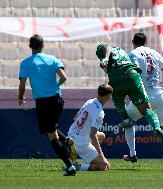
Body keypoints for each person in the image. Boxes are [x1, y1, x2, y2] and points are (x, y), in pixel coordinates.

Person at [95, 43, 163, 159]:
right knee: (146, 110)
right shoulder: (120, 50)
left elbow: (108, 64)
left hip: (116, 82)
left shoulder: (105, 58)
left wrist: (104, 64)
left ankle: (126, 121)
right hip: (132, 77)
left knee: (120, 105)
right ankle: (157, 128)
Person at [18, 34, 76, 176]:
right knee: (51, 127)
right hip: (57, 100)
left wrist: (20, 97)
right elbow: (64, 77)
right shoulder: (52, 59)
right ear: (43, 45)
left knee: (51, 135)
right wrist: (55, 86)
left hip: (43, 102)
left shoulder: (25, 63)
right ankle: (67, 140)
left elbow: (22, 84)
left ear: (30, 46)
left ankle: (69, 166)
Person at [125, 32, 163, 169]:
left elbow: (134, 73)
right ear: (146, 42)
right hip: (158, 94)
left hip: (143, 96)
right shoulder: (155, 53)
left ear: (133, 42)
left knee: (128, 122)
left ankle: (132, 154)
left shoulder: (133, 54)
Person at [67, 84, 112, 171]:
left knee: (101, 136)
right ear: (107, 97)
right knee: (103, 167)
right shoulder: (99, 113)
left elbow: (75, 118)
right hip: (81, 144)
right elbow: (92, 135)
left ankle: (82, 156)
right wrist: (102, 157)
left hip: (71, 135)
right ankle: (77, 166)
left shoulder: (90, 101)